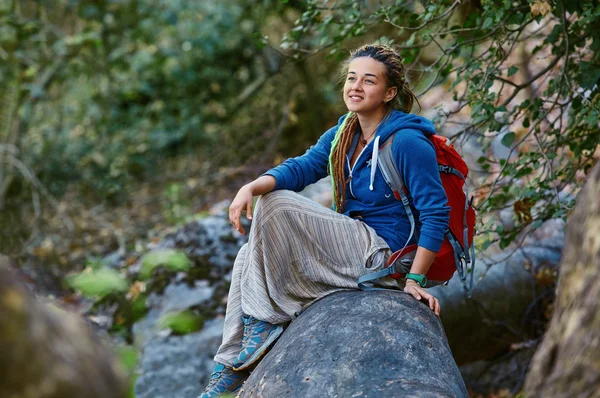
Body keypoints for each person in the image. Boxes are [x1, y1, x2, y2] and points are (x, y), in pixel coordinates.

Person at [199, 43, 450, 398]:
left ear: (389, 92)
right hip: (354, 243)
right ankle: (228, 366)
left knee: (277, 204)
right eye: (351, 78)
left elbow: (436, 211)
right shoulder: (345, 133)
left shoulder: (408, 142)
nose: (356, 87)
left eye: (368, 81)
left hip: (385, 254)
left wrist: (415, 279)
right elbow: (302, 167)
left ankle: (261, 323)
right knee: (246, 254)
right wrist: (250, 186)